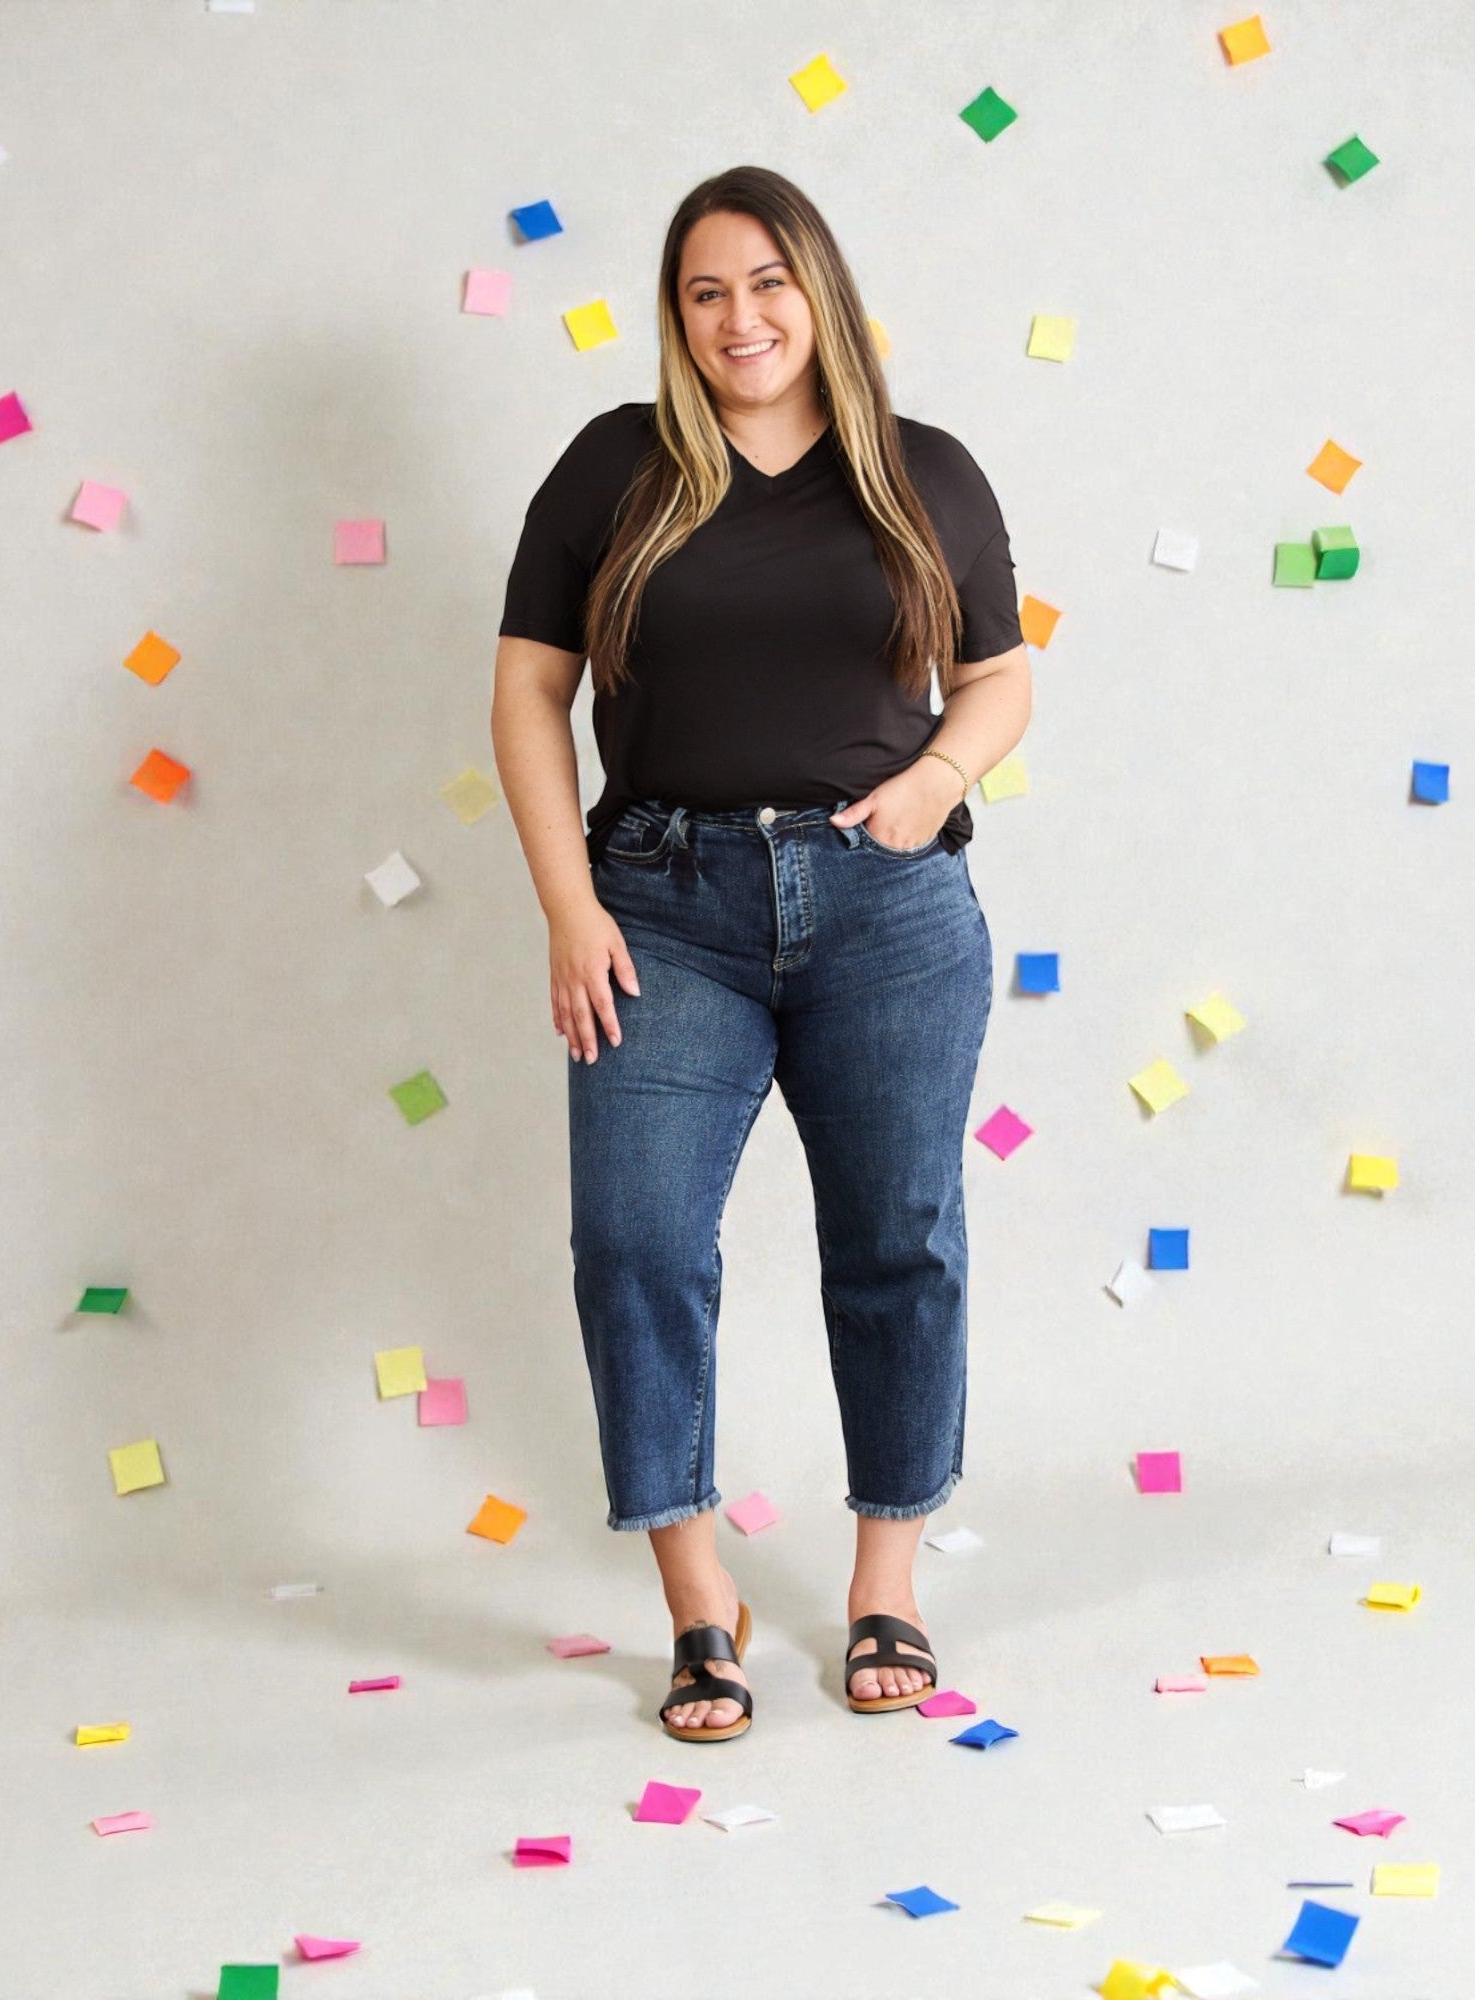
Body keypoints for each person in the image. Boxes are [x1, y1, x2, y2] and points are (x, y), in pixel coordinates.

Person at [490, 165, 1032, 1742]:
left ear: (823, 293)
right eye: (707, 291)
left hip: (887, 911)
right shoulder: (616, 468)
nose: (742, 318)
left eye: (770, 284)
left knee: (899, 1239)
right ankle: (699, 1604)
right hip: (660, 906)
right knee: (638, 1244)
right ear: (679, 313)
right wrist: (568, 905)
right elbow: (528, 696)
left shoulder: (921, 473)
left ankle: (887, 1583)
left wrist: (932, 785)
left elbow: (999, 679)